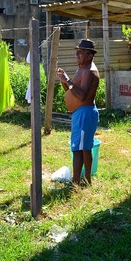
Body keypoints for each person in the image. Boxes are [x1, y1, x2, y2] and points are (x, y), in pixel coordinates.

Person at [56, 39, 100, 186]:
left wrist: (67, 80)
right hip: (80, 114)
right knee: (82, 148)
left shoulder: (90, 71)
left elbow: (82, 95)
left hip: (84, 114)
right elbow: (72, 91)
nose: (77, 55)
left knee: (80, 149)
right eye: (77, 53)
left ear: (89, 55)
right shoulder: (82, 69)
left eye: (81, 53)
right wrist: (64, 80)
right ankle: (85, 180)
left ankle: (78, 181)